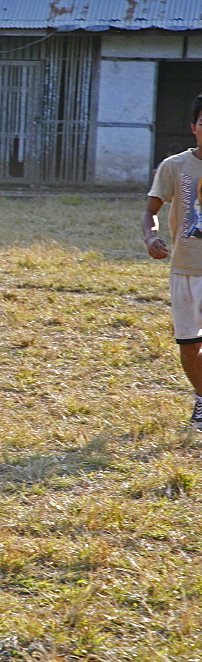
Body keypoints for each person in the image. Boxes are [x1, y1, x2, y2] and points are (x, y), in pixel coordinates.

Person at [142, 91, 202, 429]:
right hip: (185, 268)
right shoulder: (175, 167)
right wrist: (151, 236)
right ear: (193, 127)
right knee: (190, 346)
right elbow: (151, 210)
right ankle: (201, 396)